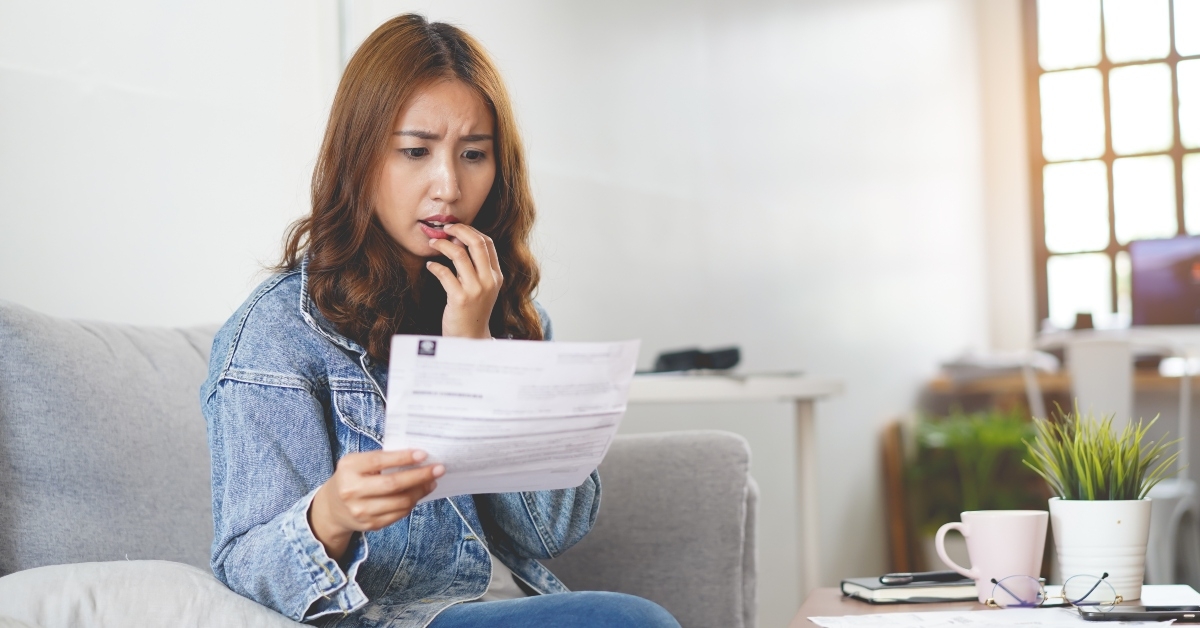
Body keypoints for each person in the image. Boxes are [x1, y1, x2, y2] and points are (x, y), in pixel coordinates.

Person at [200, 13, 679, 628]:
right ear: (360, 158)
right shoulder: (275, 336)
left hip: (508, 605)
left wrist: (476, 352)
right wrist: (333, 514)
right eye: (415, 151)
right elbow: (244, 564)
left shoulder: (510, 314)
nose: (447, 186)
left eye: (473, 155)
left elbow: (550, 531)